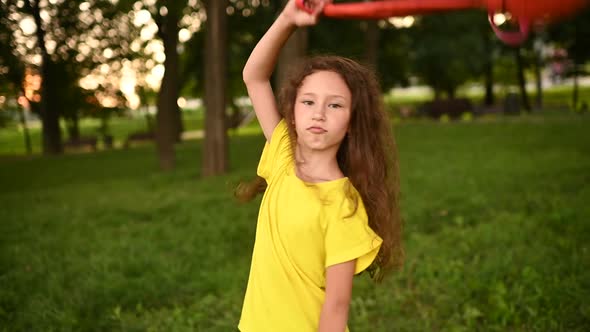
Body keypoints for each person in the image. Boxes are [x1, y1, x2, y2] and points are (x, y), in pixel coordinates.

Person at [235, 1, 403, 331]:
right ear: (293, 111)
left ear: (354, 121)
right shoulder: (283, 152)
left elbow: (336, 310)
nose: (318, 113)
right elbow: (254, 77)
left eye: (335, 104)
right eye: (308, 101)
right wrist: (287, 19)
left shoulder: (343, 207)